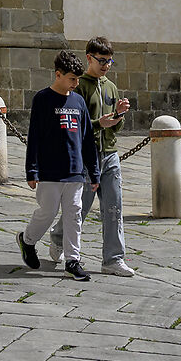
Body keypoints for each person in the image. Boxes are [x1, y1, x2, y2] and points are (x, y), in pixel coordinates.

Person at [45, 39, 134, 277]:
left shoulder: (111, 87)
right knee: (79, 207)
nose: (106, 66)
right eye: (101, 60)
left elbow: (113, 129)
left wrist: (119, 116)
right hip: (87, 156)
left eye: (109, 61)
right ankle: (58, 238)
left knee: (114, 207)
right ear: (89, 58)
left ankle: (113, 259)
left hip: (110, 154)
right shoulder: (79, 86)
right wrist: (99, 123)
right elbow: (76, 125)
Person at [18, 50, 99, 281]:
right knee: (48, 211)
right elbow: (34, 137)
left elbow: (86, 139)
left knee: (74, 214)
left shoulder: (79, 102)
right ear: (58, 75)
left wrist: (93, 172)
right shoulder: (42, 99)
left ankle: (72, 260)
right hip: (50, 171)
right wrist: (31, 170)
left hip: (75, 172)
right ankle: (27, 240)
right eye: (72, 79)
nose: (75, 84)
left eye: (77, 80)